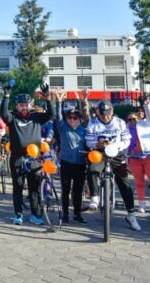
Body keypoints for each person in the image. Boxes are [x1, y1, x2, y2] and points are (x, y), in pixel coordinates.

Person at [0, 83, 53, 226]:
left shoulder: (36, 117)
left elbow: (50, 114)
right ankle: (18, 214)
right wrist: (6, 96)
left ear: (31, 105)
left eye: (26, 105)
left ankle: (35, 215)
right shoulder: (13, 118)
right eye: (21, 105)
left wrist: (47, 97)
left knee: (34, 189)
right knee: (17, 188)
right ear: (17, 106)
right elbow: (3, 114)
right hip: (17, 158)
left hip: (34, 158)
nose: (24, 108)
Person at [85, 100, 140, 231]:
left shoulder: (120, 122)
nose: (105, 116)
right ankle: (95, 197)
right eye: (103, 114)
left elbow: (127, 139)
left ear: (112, 111)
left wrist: (116, 146)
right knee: (92, 169)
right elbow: (88, 141)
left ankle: (131, 215)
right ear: (98, 112)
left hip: (116, 152)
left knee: (124, 184)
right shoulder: (93, 123)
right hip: (100, 153)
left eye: (108, 113)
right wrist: (96, 145)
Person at [52, 88, 87, 224]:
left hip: (80, 164)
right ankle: (65, 215)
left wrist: (82, 101)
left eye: (75, 118)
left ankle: (77, 214)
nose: (72, 120)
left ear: (79, 119)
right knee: (65, 190)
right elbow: (57, 116)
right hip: (66, 163)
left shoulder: (84, 130)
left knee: (77, 191)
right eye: (70, 117)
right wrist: (59, 101)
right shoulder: (63, 127)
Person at [126, 98, 150, 213]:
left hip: (149, 156)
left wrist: (147, 106)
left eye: (134, 118)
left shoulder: (145, 124)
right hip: (134, 158)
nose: (132, 120)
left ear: (138, 118)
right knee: (139, 182)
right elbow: (123, 144)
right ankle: (142, 204)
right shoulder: (126, 129)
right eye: (130, 119)